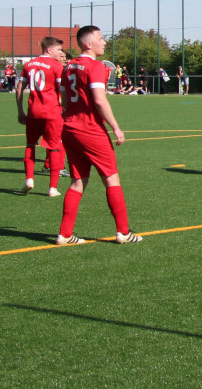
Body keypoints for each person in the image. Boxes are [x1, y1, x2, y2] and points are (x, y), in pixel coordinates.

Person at [56, 26, 141, 245]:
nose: (104, 43)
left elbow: (64, 99)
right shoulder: (94, 66)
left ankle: (64, 234)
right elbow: (100, 99)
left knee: (77, 182)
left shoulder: (68, 67)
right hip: (91, 130)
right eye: (101, 39)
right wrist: (116, 127)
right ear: (88, 44)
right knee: (112, 179)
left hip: (70, 128)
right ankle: (123, 232)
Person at [15, 36, 66, 197]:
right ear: (49, 50)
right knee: (55, 147)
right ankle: (52, 188)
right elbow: (62, 92)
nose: (60, 53)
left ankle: (29, 179)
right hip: (52, 113)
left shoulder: (29, 64)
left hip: (33, 112)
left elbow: (19, 88)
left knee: (30, 145)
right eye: (58, 50)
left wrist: (20, 111)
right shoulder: (56, 66)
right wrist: (66, 109)